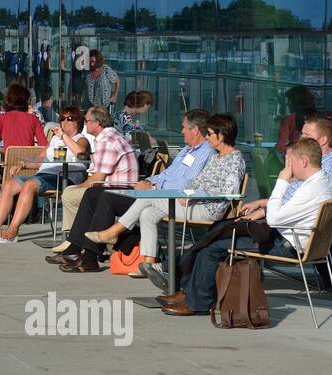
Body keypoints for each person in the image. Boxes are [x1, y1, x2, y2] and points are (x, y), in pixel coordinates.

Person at [162, 137, 332, 316]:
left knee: (213, 246)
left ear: (303, 161)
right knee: (223, 232)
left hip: (285, 245)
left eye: (289, 162)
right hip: (297, 240)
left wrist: (282, 181)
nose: (287, 168)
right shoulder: (325, 182)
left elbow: (275, 218)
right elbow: (293, 208)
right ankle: (189, 293)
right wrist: (262, 208)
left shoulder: (309, 190)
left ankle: (197, 302)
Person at [84, 114, 245, 282]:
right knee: (148, 213)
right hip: (193, 202)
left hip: (209, 208)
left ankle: (113, 231)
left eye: (210, 133)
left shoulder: (235, 160)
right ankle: (149, 263)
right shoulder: (217, 157)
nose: (208, 137)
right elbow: (198, 181)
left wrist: (193, 195)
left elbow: (227, 192)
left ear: (221, 135)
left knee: (149, 198)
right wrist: (188, 192)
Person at [52, 108, 213, 271]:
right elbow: (167, 174)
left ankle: (90, 257)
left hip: (164, 199)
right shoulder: (187, 150)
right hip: (150, 193)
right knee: (93, 193)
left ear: (196, 130)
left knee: (105, 197)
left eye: (184, 127)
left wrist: (154, 186)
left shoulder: (205, 152)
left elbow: (187, 183)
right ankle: (75, 249)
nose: (181, 131)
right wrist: (148, 181)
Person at [0, 107, 89, 242]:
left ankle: (12, 230)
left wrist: (64, 137)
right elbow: (40, 159)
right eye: (62, 119)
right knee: (9, 184)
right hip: (45, 175)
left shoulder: (81, 139)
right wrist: (23, 165)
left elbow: (81, 153)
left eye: (69, 118)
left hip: (65, 177)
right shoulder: (55, 139)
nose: (65, 121)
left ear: (78, 122)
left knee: (29, 185)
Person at [47, 106, 138, 267]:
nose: (85, 124)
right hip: (112, 188)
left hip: (121, 190)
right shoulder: (106, 138)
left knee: (76, 194)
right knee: (84, 193)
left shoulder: (109, 141)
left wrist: (78, 187)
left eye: (87, 121)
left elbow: (98, 177)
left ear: (97, 123)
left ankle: (79, 248)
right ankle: (75, 247)